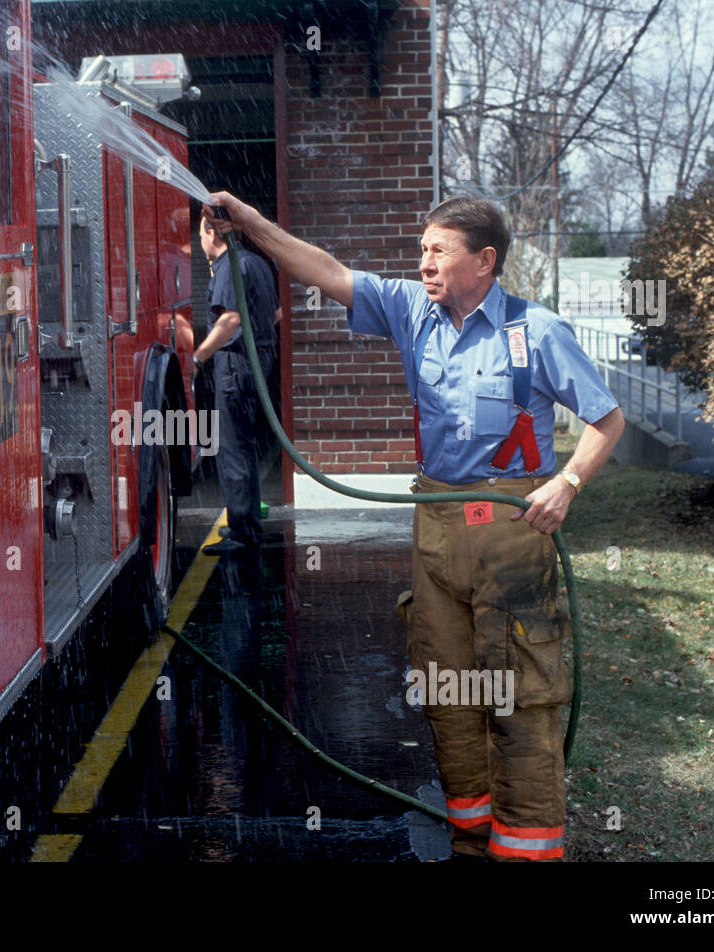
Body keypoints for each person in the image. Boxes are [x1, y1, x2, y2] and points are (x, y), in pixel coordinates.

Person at [203, 192, 625, 861]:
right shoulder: (412, 312)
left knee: (520, 692)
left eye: (438, 250)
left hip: (509, 531)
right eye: (421, 249)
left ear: (484, 261)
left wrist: (566, 483)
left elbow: (608, 421)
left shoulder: (535, 332)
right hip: (435, 528)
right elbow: (322, 269)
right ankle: (471, 833)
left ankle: (529, 848)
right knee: (446, 688)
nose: (423, 262)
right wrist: (248, 223)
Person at [194, 216, 278, 556]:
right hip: (257, 360)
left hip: (237, 364)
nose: (199, 241)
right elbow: (275, 314)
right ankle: (245, 524)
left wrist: (197, 358)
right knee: (244, 445)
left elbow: (230, 319)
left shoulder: (229, 266)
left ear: (213, 233)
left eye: (201, 233)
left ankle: (243, 533)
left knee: (233, 448)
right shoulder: (257, 262)